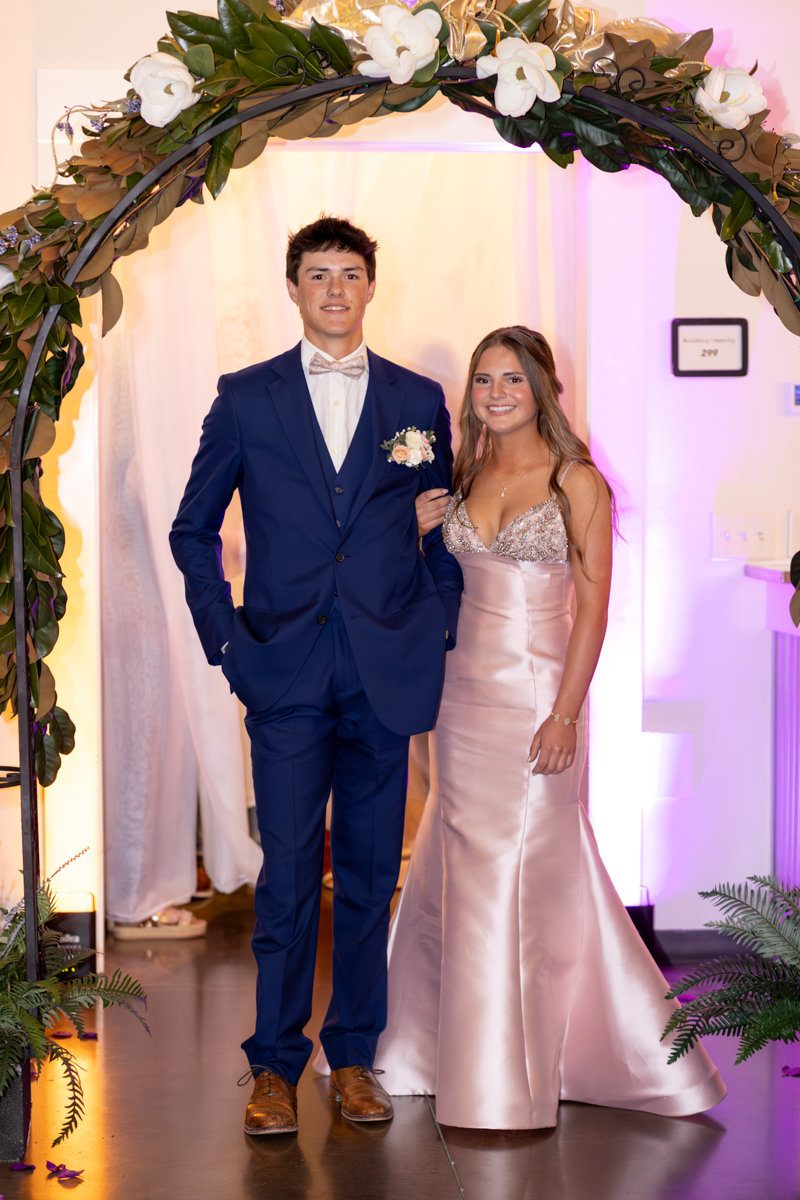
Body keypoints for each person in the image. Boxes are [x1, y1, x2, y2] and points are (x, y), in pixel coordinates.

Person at [374, 326, 726, 1129]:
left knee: (525, 875)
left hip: (542, 703)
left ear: (542, 390)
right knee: (462, 869)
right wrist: (417, 529)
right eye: (484, 380)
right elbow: (425, 586)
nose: (496, 393)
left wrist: (567, 712)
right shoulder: (458, 477)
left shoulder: (578, 483)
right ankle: (431, 1053)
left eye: (512, 380)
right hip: (460, 703)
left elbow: (594, 611)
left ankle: (514, 1075)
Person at [170, 216, 462, 1134]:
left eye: (350, 274)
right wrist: (228, 638)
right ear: (293, 289)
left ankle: (355, 1059)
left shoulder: (418, 399)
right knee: (292, 876)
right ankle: (272, 1067)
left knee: (372, 876)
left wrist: (436, 622)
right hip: (285, 673)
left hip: (384, 675)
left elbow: (440, 524)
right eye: (317, 275)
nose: (334, 290)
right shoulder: (246, 398)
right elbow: (193, 529)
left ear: (371, 286)